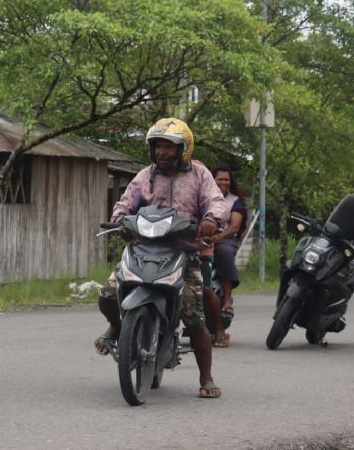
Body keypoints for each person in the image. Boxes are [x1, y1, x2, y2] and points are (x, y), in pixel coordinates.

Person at [94, 118, 225, 398]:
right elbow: (124, 202)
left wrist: (211, 220)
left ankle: (206, 377)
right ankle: (118, 325)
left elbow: (215, 201)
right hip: (142, 248)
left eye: (169, 146)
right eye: (158, 146)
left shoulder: (200, 175)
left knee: (193, 315)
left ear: (184, 149)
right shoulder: (145, 175)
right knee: (107, 296)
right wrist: (119, 220)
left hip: (182, 251)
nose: (162, 152)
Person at [204, 163, 247, 348]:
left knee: (225, 252)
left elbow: (235, 227)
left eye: (226, 179)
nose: (223, 182)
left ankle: (227, 298)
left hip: (224, 238)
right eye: (219, 179)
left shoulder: (235, 201)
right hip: (201, 239)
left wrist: (217, 237)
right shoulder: (203, 196)